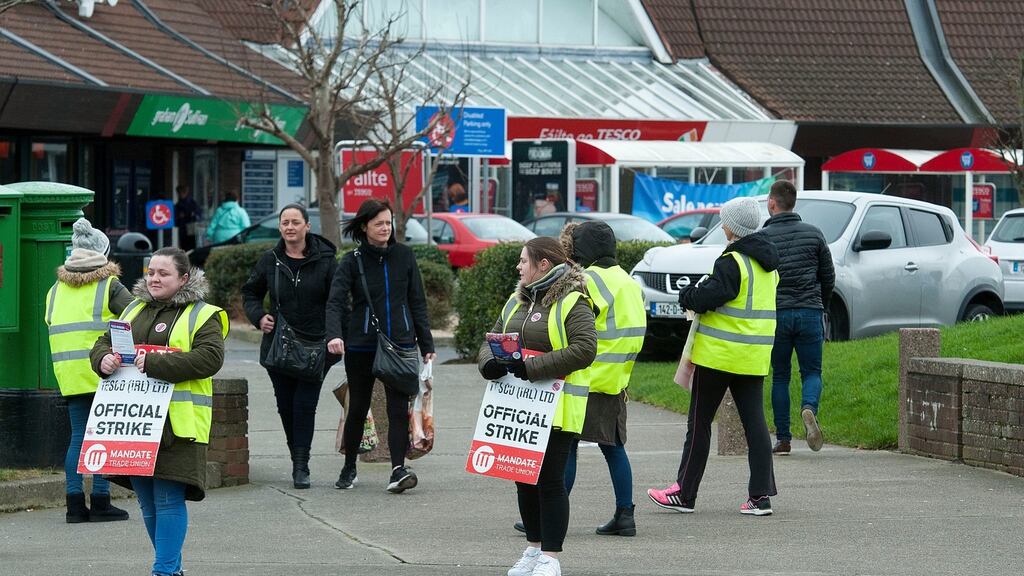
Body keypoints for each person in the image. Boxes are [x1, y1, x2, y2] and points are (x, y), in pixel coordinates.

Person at [90, 248, 227, 576]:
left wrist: (155, 363)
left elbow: (210, 358)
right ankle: (172, 570)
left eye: (163, 274)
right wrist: (102, 360)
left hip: (177, 427)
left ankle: (163, 571)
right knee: (147, 502)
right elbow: (102, 343)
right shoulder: (134, 308)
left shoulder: (201, 314)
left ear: (183, 278)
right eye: (151, 272)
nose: (154, 278)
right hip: (134, 423)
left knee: (167, 500)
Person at [647, 196, 780, 516]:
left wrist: (687, 295)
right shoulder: (768, 265)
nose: (722, 227)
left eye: (725, 222)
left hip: (719, 356)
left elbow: (710, 296)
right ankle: (760, 497)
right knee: (756, 425)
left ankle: (684, 492)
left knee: (699, 424)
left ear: (732, 227)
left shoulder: (732, 260)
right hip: (753, 356)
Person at [478, 237, 597, 576]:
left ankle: (551, 557)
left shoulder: (574, 301)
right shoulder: (516, 301)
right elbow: (492, 340)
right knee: (522, 479)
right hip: (519, 410)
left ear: (543, 264)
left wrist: (531, 367)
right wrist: (489, 364)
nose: (518, 267)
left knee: (549, 481)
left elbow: (585, 349)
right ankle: (532, 549)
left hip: (558, 410)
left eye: (523, 261)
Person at [326, 198, 435, 493]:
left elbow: (417, 302)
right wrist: (334, 335)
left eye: (388, 223)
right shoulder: (352, 260)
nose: (385, 228)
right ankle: (349, 466)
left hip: (400, 343)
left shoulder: (405, 256)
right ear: (364, 226)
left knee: (398, 409)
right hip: (362, 345)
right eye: (379, 223)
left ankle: (398, 470)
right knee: (358, 407)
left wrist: (426, 342)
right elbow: (335, 302)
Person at [241, 204, 338, 488]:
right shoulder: (270, 260)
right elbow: (251, 292)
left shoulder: (326, 261)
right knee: (286, 406)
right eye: (285, 222)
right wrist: (259, 317)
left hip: (314, 347)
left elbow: (338, 302)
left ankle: (301, 465)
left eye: (296, 222)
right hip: (279, 347)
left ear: (308, 226)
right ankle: (296, 457)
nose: (290, 227)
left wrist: (335, 335)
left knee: (305, 406)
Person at [45, 218, 134, 524]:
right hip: (103, 371)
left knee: (78, 437)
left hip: (68, 374)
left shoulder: (56, 288)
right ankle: (100, 500)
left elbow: (50, 323)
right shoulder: (110, 285)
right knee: (104, 436)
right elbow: (136, 316)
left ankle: (73, 505)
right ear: (103, 253)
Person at [762, 180, 834, 454]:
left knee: (780, 375)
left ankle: (782, 439)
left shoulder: (764, 238)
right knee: (812, 371)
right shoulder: (814, 234)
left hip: (777, 314)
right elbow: (828, 276)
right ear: (794, 203)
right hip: (809, 311)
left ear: (772, 203)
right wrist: (821, 305)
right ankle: (808, 407)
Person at [174, 184, 201, 251]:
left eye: (180, 193)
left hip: (190, 227)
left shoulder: (191, 203)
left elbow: (197, 214)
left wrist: (186, 215)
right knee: (185, 246)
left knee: (190, 246)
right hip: (183, 228)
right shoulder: (179, 204)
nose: (179, 195)